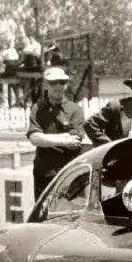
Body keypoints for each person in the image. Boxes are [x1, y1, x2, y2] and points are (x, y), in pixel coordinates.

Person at [26, 66, 86, 199]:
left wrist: (44, 139)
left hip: (70, 174)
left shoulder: (75, 110)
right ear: (45, 85)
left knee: (73, 211)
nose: (58, 86)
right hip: (44, 175)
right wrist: (64, 140)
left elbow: (75, 141)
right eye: (53, 82)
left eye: (62, 82)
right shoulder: (38, 109)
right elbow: (34, 138)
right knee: (44, 211)